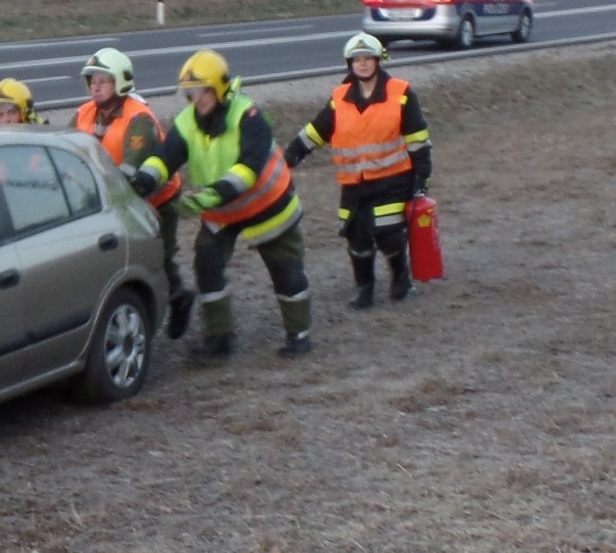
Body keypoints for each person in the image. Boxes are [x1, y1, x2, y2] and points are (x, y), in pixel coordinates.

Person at [132, 49, 312, 358]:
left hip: (268, 206)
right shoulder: (187, 122)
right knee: (207, 263)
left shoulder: (249, 116)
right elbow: (165, 157)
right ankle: (219, 337)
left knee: (286, 270)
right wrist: (143, 181)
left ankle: (299, 333)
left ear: (220, 89)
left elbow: (249, 168)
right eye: (189, 93)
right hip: (221, 209)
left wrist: (212, 195)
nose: (195, 100)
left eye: (201, 91)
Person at [283, 32, 431, 308]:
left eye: (367, 59)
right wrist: (290, 156)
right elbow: (316, 131)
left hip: (393, 180)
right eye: (356, 60)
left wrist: (422, 177)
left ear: (378, 61)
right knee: (356, 235)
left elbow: (418, 139)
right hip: (354, 184)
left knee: (388, 235)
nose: (362, 64)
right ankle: (364, 286)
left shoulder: (400, 93)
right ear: (349, 64)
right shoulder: (339, 98)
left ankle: (401, 278)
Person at [75, 47, 196, 339]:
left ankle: (179, 298)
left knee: (159, 258)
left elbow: (132, 171)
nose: (96, 85)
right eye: (92, 79)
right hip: (109, 201)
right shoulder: (85, 112)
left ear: (121, 82)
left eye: (103, 79)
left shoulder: (139, 119)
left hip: (154, 201)